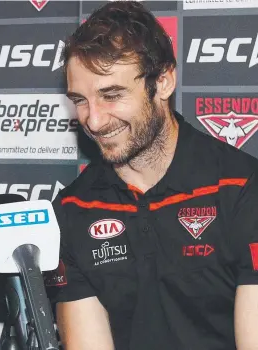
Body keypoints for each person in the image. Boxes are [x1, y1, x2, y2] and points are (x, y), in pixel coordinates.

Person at [45, 2, 258, 350]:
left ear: (162, 82)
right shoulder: (73, 208)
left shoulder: (241, 188)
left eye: (111, 95)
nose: (94, 121)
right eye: (80, 100)